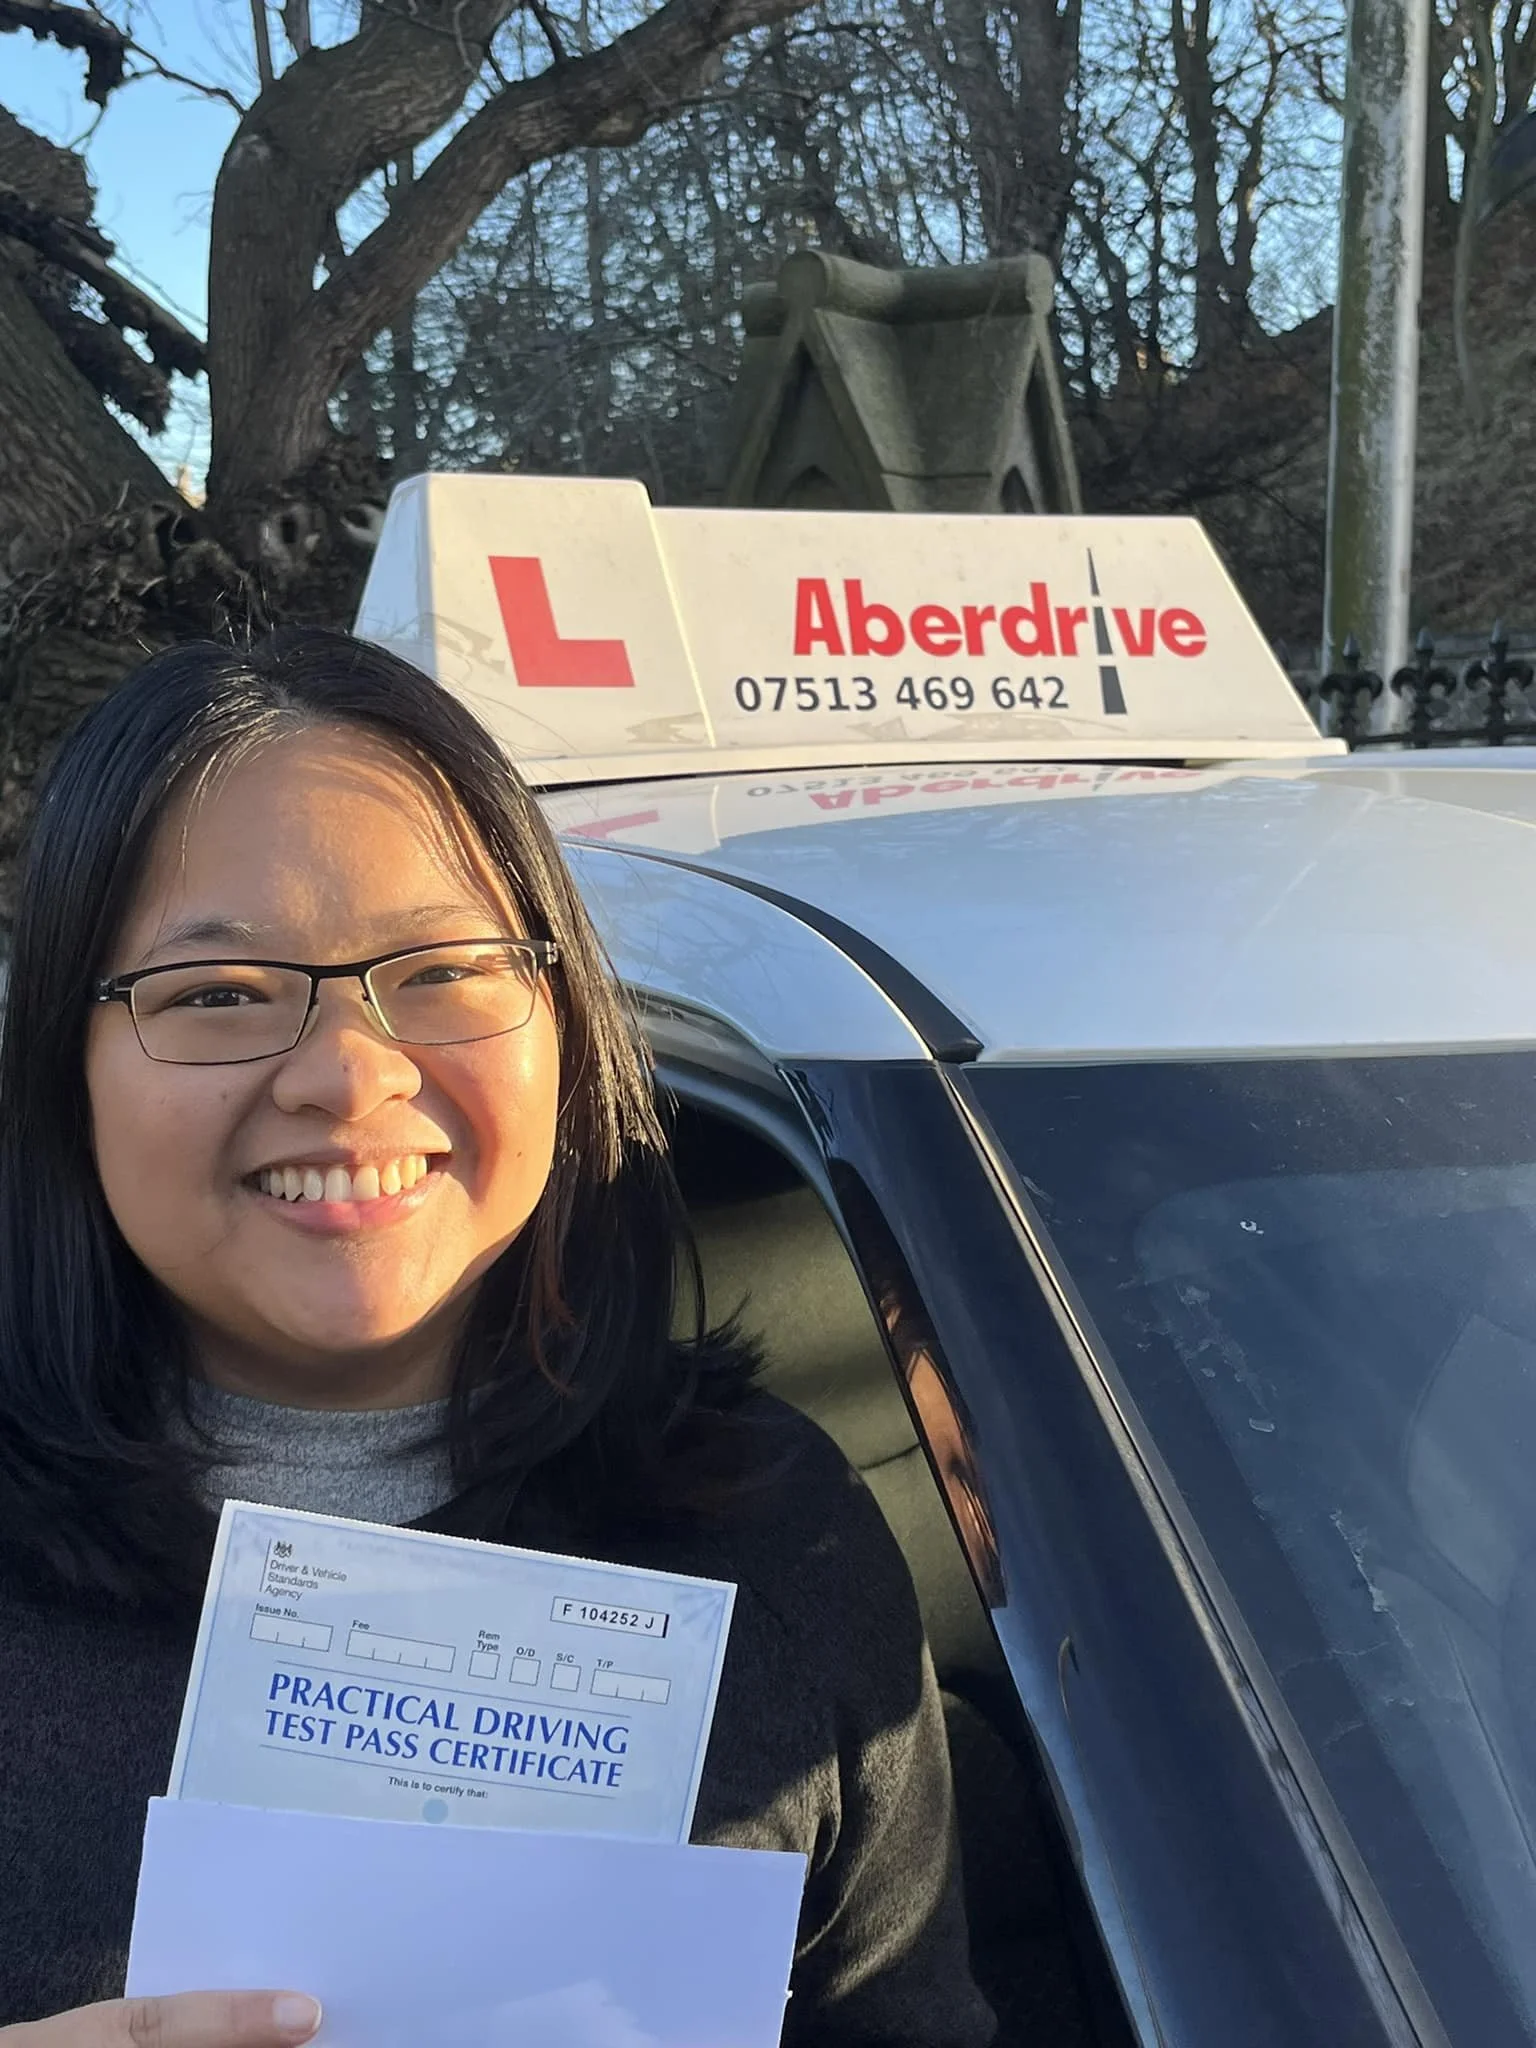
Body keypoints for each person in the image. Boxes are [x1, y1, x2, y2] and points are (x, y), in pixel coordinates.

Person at [0, 628, 994, 2048]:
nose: (347, 1076)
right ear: (61, 1065)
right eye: (218, 995)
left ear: (566, 1022)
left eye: (444, 969)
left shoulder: (779, 1533)